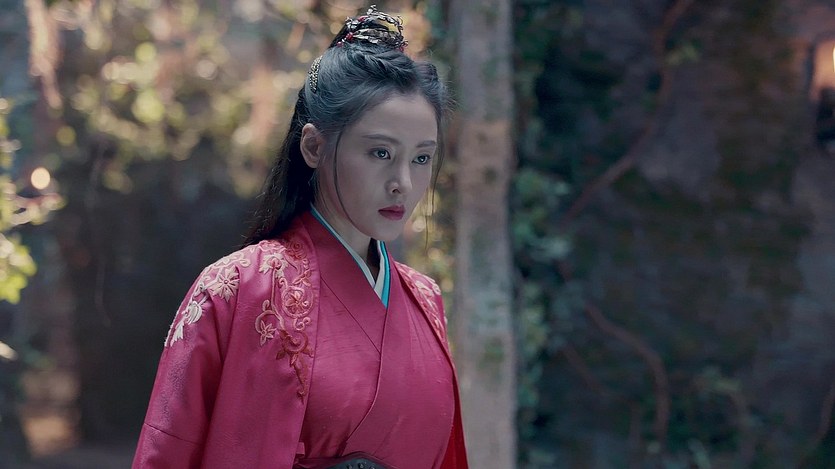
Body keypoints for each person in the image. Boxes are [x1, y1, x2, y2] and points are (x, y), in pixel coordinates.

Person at [132, 6, 468, 469]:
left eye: (421, 158)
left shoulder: (425, 299)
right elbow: (168, 452)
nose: (403, 184)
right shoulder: (236, 288)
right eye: (380, 152)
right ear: (313, 146)